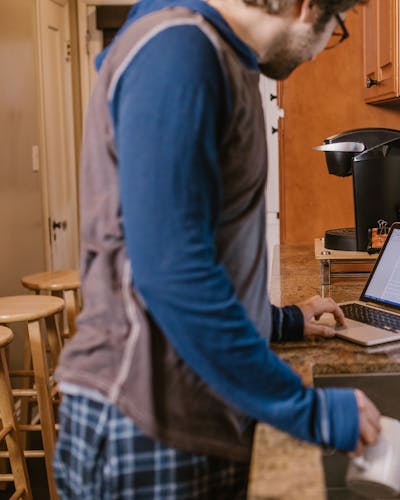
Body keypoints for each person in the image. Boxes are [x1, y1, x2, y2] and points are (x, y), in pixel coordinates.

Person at [52, 0, 379, 497]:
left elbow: (205, 244)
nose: (319, 51)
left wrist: (281, 320)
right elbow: (173, 274)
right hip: (148, 417)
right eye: (335, 28)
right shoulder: (179, 51)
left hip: (188, 406)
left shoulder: (221, 56)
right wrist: (307, 409)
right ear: (306, 7)